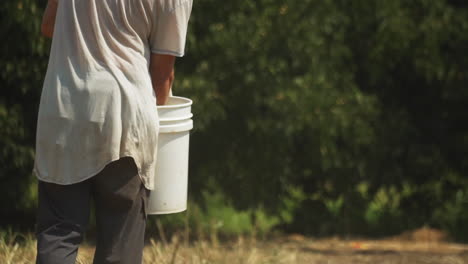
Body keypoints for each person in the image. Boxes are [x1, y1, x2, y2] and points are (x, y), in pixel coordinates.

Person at [35, 0, 193, 263]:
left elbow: (50, 26)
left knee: (59, 231)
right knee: (121, 242)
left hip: (64, 109)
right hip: (125, 117)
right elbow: (162, 75)